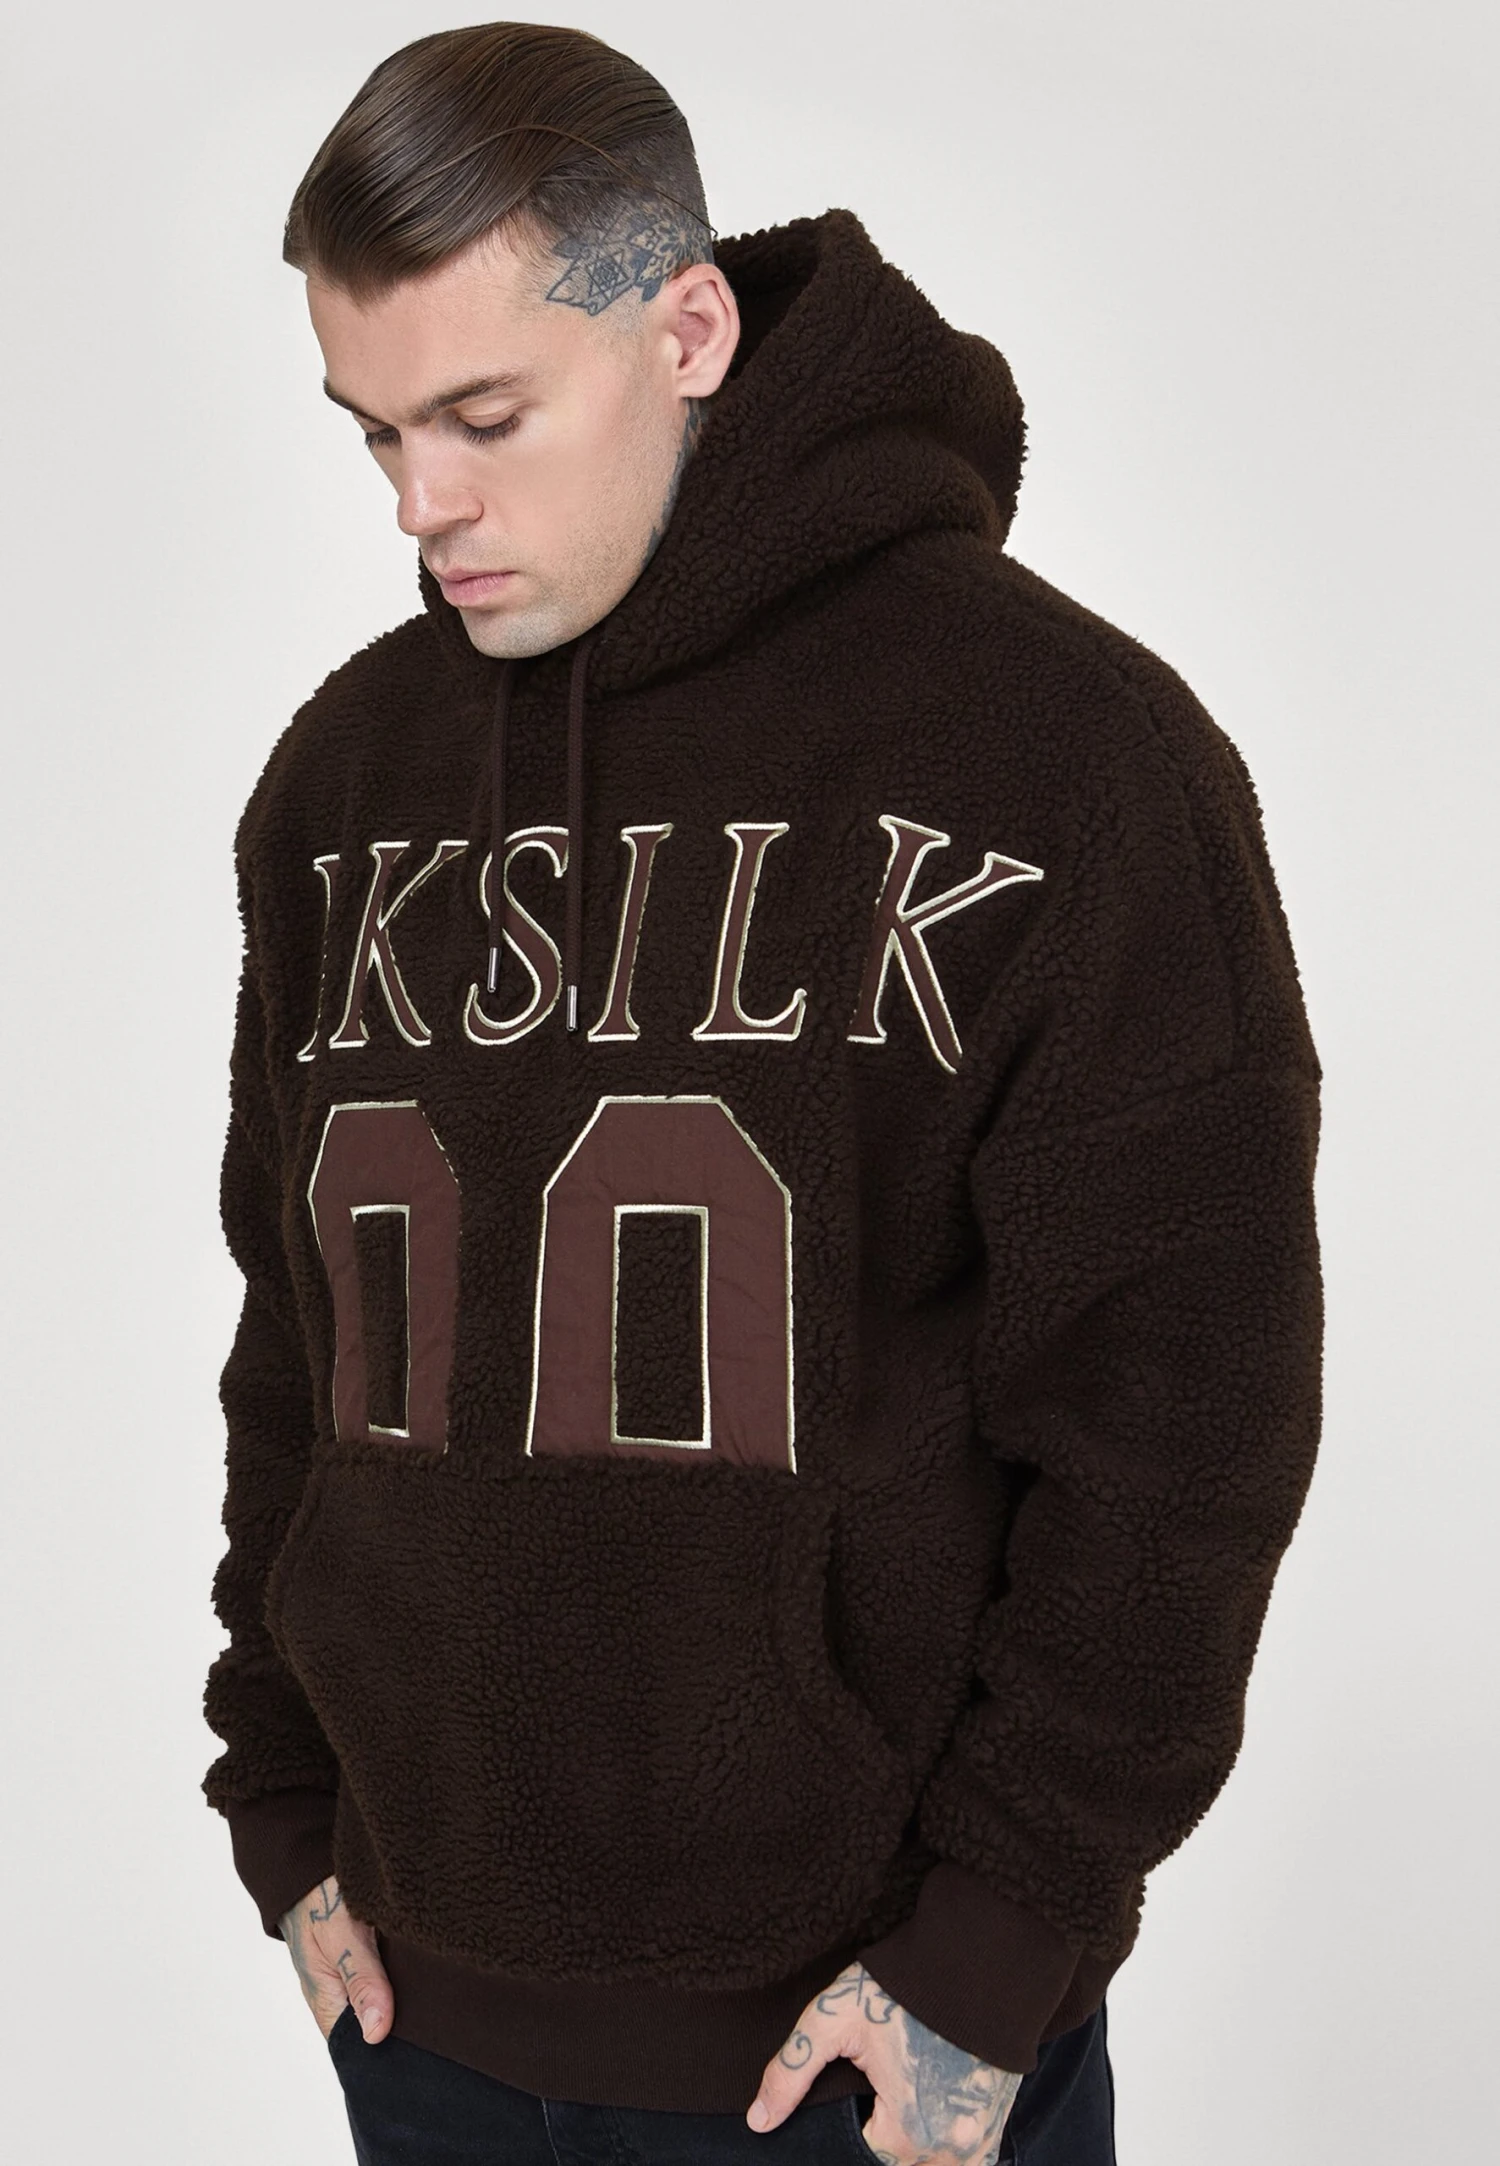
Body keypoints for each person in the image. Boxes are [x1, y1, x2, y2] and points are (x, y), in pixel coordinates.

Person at [200, 21, 1323, 2166]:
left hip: (861, 2053)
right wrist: (283, 1803)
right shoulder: (346, 783)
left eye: (484, 417)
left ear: (688, 330)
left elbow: (1186, 1424)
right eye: (375, 433)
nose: (426, 504)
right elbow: (297, 1340)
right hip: (420, 2020)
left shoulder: (1065, 757)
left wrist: (996, 1943)